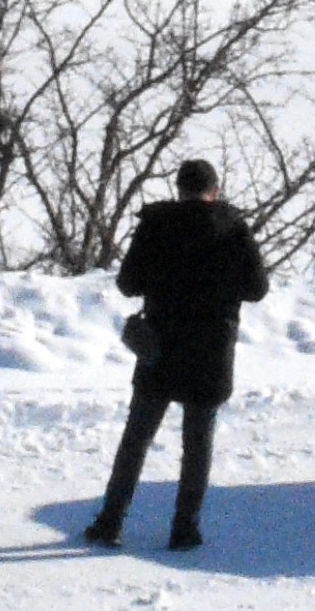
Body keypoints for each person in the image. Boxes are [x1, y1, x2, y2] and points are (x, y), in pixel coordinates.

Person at [88, 159, 272, 553]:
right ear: (215, 190)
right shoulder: (234, 228)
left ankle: (110, 523)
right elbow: (257, 289)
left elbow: (127, 283)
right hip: (211, 351)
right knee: (197, 445)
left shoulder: (156, 224)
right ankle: (184, 530)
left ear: (178, 188)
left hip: (161, 346)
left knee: (136, 440)